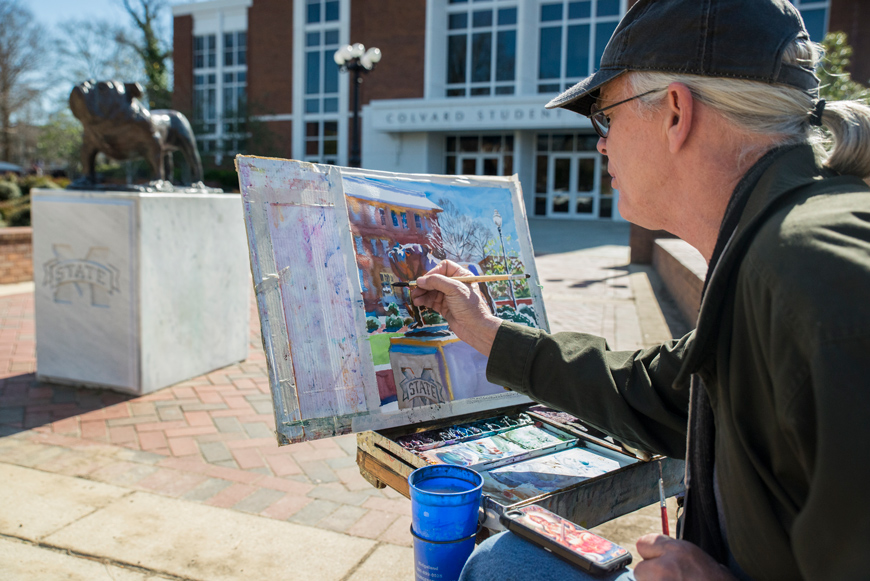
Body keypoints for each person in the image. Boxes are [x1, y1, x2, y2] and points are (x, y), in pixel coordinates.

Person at [410, 0, 870, 579]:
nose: (600, 144)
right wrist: (484, 331)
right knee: (506, 560)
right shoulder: (766, 253)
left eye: (607, 116)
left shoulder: (814, 269)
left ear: (676, 112)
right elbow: (652, 391)